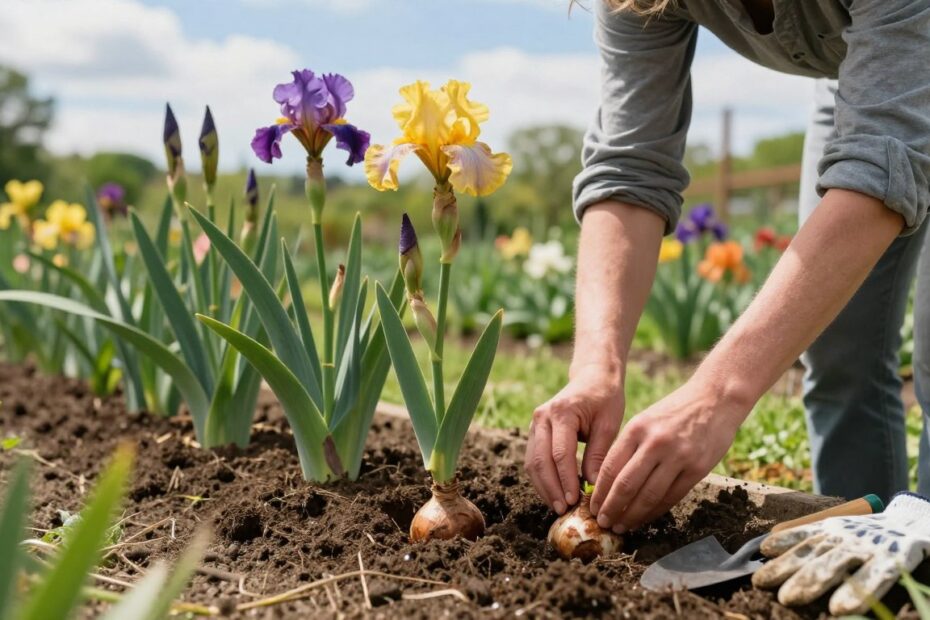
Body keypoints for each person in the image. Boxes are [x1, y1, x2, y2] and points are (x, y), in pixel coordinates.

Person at [526, 0, 930, 586]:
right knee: (840, 348)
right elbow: (630, 166)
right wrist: (595, 366)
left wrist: (717, 395)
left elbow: (881, 163)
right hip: (856, 72)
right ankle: (862, 568)